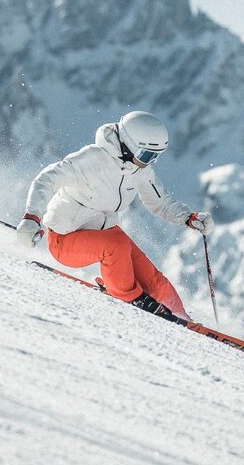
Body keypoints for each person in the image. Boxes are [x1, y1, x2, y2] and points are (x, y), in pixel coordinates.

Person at [16, 111, 214, 319]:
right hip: (64, 239)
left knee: (156, 282)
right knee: (116, 248)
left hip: (105, 234)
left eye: (155, 156)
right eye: (146, 155)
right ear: (129, 145)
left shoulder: (140, 170)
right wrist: (32, 217)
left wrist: (187, 217)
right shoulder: (93, 159)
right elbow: (46, 179)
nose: (149, 162)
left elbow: (160, 202)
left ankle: (182, 317)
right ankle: (130, 298)